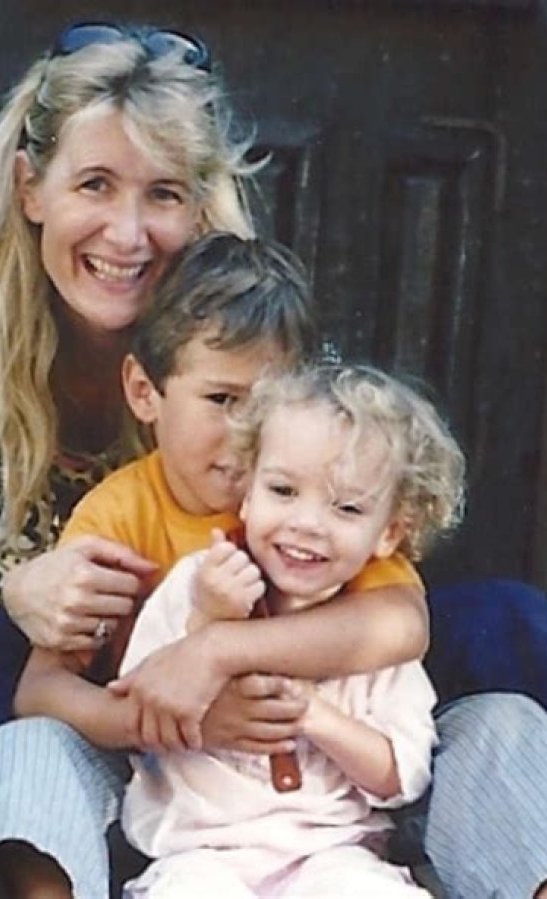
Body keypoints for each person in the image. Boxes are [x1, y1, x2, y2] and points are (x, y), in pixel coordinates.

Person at [0, 18, 547, 899]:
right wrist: (22, 589)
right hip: (115, 670)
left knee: (510, 620)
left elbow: (384, 600)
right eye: (94, 183)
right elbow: (14, 601)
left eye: (162, 193)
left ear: (198, 208)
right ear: (30, 186)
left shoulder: (268, 344)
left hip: (301, 637)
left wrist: (221, 654)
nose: (127, 232)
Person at [0, 233, 426, 898]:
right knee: (20, 742)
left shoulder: (316, 522)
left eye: (268, 406)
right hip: (162, 795)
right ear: (144, 392)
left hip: (315, 819)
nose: (246, 432)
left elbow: (402, 625)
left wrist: (214, 653)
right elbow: (42, 690)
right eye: (223, 400)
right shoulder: (121, 512)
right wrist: (178, 722)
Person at [119, 360, 466, 898]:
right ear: (247, 493)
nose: (307, 523)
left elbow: (399, 778)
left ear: (389, 533)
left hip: (331, 855)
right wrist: (207, 619)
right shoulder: (197, 582)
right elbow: (144, 710)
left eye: (346, 507)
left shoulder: (369, 631)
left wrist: (314, 715)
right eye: (282, 490)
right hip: (200, 853)